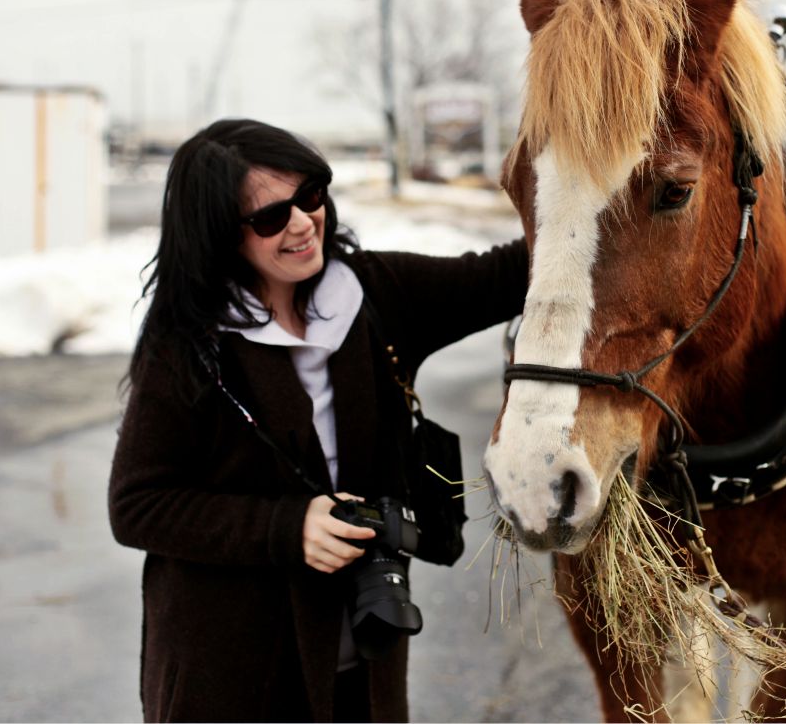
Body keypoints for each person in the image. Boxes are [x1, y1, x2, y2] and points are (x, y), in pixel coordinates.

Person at [108, 118, 527, 722]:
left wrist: (618, 180)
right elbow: (137, 504)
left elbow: (506, 276)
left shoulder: (373, 293)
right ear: (220, 233)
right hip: (230, 676)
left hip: (366, 660)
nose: (304, 222)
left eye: (310, 196)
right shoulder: (187, 344)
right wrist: (285, 528)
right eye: (271, 217)